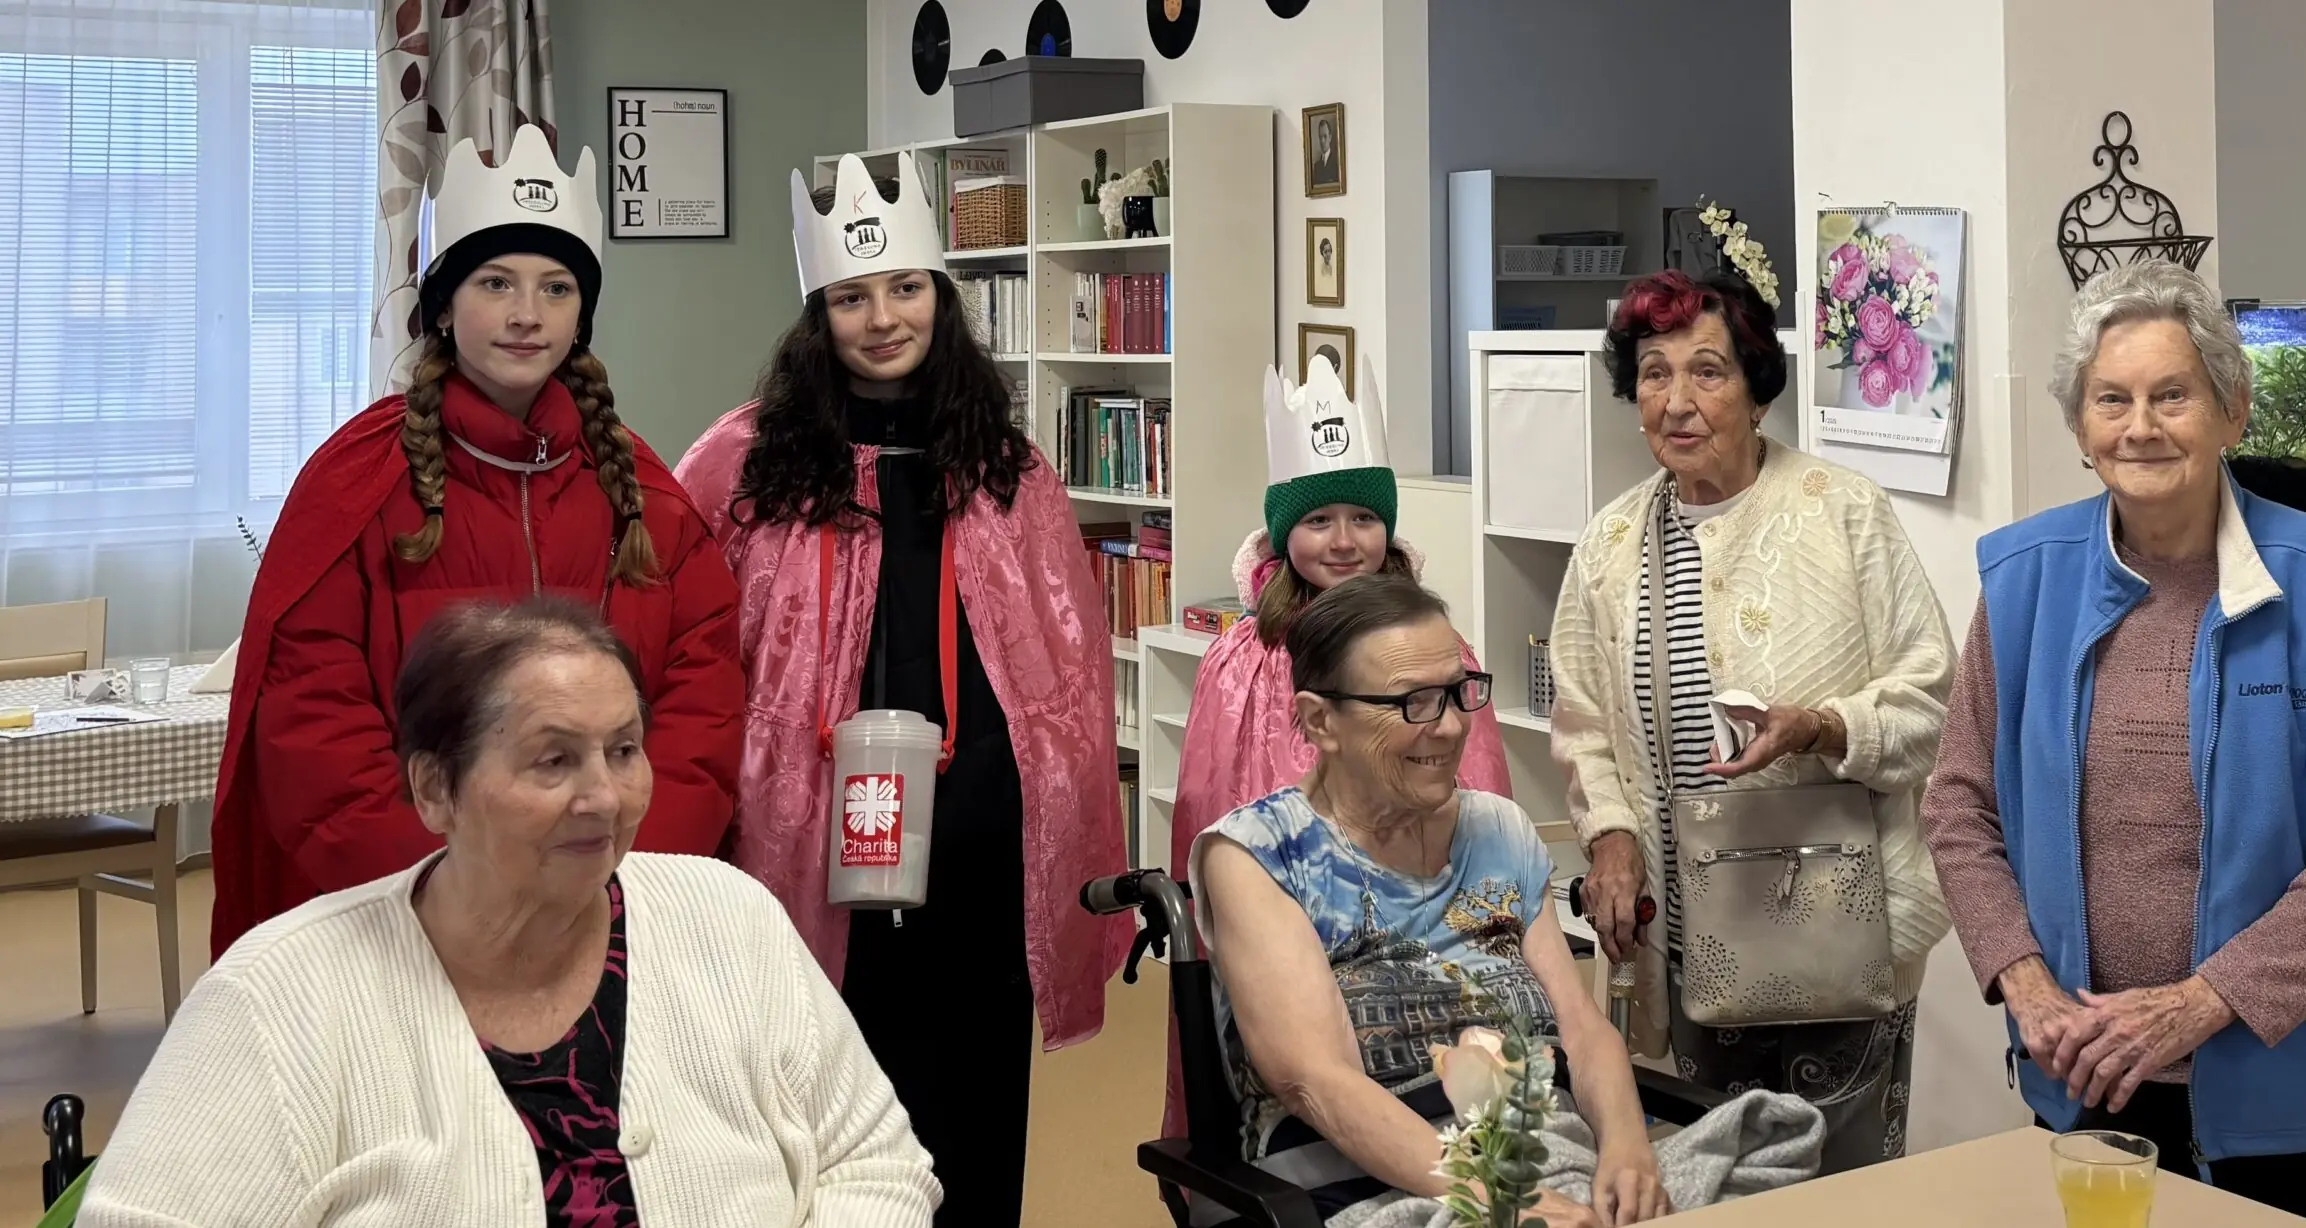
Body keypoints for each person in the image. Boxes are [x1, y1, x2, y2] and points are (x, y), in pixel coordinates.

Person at [83, 599, 936, 1227]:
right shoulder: (279, 996)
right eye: (552, 760)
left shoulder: (729, 919)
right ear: (434, 789)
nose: (604, 797)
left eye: (624, 750)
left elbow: (874, 1161)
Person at [1921, 260, 2306, 1228]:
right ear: (2080, 428)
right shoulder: (2023, 581)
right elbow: (1958, 804)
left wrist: (2202, 1002)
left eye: (2172, 395)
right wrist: (2025, 985)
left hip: (2278, 1092)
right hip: (2084, 1071)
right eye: (2111, 399)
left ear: (2233, 411)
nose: (2140, 426)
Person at [673, 151, 1126, 1228]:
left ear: (941, 295)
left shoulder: (1008, 467)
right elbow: (687, 651)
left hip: (979, 845)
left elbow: (1070, 669)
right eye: (851, 297)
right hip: (814, 843)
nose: (882, 319)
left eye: (906, 288)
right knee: (826, 1095)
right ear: (816, 314)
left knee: (971, 1105)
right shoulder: (744, 461)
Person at [210, 125, 744, 960]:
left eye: (556, 288)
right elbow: (313, 724)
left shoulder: (647, 499)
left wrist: (610, 884)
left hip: (610, 917)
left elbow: (701, 710)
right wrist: (455, 896)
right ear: (444, 306)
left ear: (582, 314)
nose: (527, 315)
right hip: (407, 923)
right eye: (496, 283)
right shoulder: (356, 486)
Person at [1551, 268, 1953, 1172]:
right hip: (1691, 940)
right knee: (1720, 1180)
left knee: (1842, 1191)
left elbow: (1934, 699)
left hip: (1843, 935)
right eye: (1654, 374)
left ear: (1758, 390)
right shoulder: (1608, 545)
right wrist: (1609, 835)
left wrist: (1822, 726)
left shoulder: (1844, 510)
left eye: (1707, 371)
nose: (1677, 402)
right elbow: (1582, 726)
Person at [1193, 575, 1667, 1228]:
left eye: (1456, 692)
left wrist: (1629, 1151)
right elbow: (1315, 1080)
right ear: (1320, 720)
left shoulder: (1499, 828)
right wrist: (1501, 1200)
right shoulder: (1258, 854)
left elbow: (1581, 1030)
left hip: (1547, 1154)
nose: (1448, 726)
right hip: (1362, 1185)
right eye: (1412, 702)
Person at [1165, 357, 1511, 1136]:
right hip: (1283, 934)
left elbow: (1478, 794)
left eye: (1364, 517)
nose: (1345, 541)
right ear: (1284, 532)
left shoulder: (1437, 649)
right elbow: (1210, 809)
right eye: (1319, 520)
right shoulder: (1243, 659)